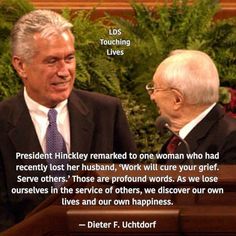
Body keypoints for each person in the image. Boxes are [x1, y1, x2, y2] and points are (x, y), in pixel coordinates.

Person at [0, 9, 137, 232]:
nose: (64, 72)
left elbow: (133, 191)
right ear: (20, 65)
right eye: (52, 61)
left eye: (69, 58)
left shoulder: (106, 112)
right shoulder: (3, 121)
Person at [146, 49, 236, 164]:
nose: (152, 97)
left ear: (177, 99)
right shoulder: (178, 140)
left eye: (155, 89)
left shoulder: (231, 140)